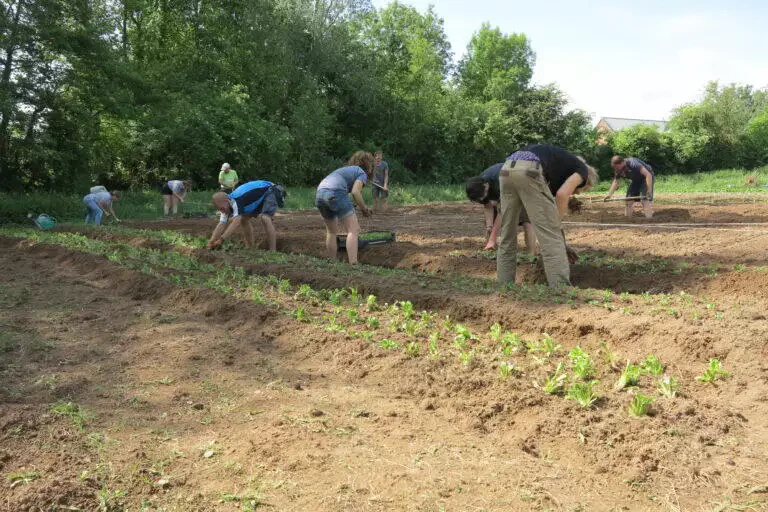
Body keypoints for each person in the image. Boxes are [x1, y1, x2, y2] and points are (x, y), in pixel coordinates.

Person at [497, 145, 598, 288]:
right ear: (586, 180)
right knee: (551, 237)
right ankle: (561, 288)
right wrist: (555, 232)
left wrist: (561, 241)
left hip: (506, 170)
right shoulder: (582, 170)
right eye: (582, 189)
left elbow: (544, 213)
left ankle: (503, 285)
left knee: (507, 235)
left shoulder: (553, 171)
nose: (578, 193)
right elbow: (562, 195)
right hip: (530, 169)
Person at [315, 151, 375, 265]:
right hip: (335, 193)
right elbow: (355, 192)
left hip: (320, 194)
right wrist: (364, 209)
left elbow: (344, 193)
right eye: (372, 166)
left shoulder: (346, 170)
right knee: (353, 230)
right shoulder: (361, 173)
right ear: (368, 166)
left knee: (331, 232)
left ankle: (332, 262)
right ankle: (353, 263)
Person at [466, 163, 538, 253]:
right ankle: (493, 249)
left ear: (486, 185)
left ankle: (531, 254)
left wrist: (492, 238)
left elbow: (503, 212)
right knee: (494, 224)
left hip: (521, 186)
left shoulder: (499, 181)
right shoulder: (477, 188)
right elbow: (487, 206)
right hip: (506, 190)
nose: (481, 199)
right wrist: (489, 226)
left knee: (526, 221)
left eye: (482, 196)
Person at [207, 181, 285, 250]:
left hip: (271, 191)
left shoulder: (235, 200)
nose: (222, 211)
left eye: (222, 209)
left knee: (265, 218)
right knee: (243, 219)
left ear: (227, 201)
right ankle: (251, 248)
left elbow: (235, 222)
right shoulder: (226, 206)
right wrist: (211, 241)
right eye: (220, 210)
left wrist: (221, 239)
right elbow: (221, 224)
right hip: (259, 199)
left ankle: (272, 250)